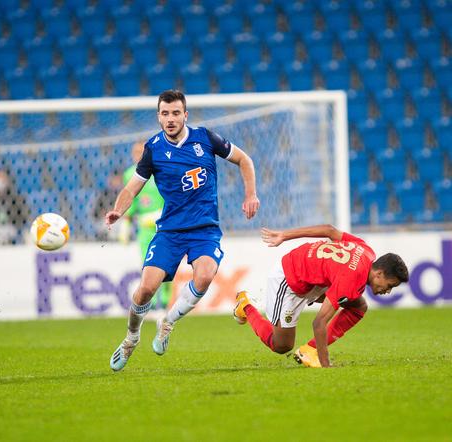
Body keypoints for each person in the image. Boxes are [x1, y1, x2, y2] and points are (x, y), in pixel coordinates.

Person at [106, 90, 260, 371]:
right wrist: (119, 210)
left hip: (204, 229)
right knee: (146, 290)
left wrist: (250, 195)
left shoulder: (205, 138)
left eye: (176, 113)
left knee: (204, 277)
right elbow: (132, 187)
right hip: (170, 231)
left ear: (185, 115)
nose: (170, 118)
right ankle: (131, 338)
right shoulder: (153, 149)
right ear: (158, 117)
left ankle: (168, 322)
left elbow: (244, 160)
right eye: (165, 113)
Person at [233, 224, 409, 368]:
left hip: (314, 279)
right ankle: (246, 306)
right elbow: (318, 323)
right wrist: (326, 365)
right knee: (281, 345)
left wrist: (285, 235)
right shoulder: (350, 280)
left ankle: (310, 350)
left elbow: (329, 230)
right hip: (289, 279)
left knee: (358, 306)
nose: (388, 291)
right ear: (379, 274)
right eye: (390, 285)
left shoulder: (366, 250)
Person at [118, 141, 172, 310]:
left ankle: (163, 304)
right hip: (144, 229)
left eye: (141, 151)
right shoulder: (129, 174)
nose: (138, 154)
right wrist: (125, 224)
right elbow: (130, 199)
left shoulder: (161, 171)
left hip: (165, 227)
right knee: (148, 267)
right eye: (135, 151)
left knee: (165, 267)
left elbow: (171, 197)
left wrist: (162, 214)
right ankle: (154, 305)